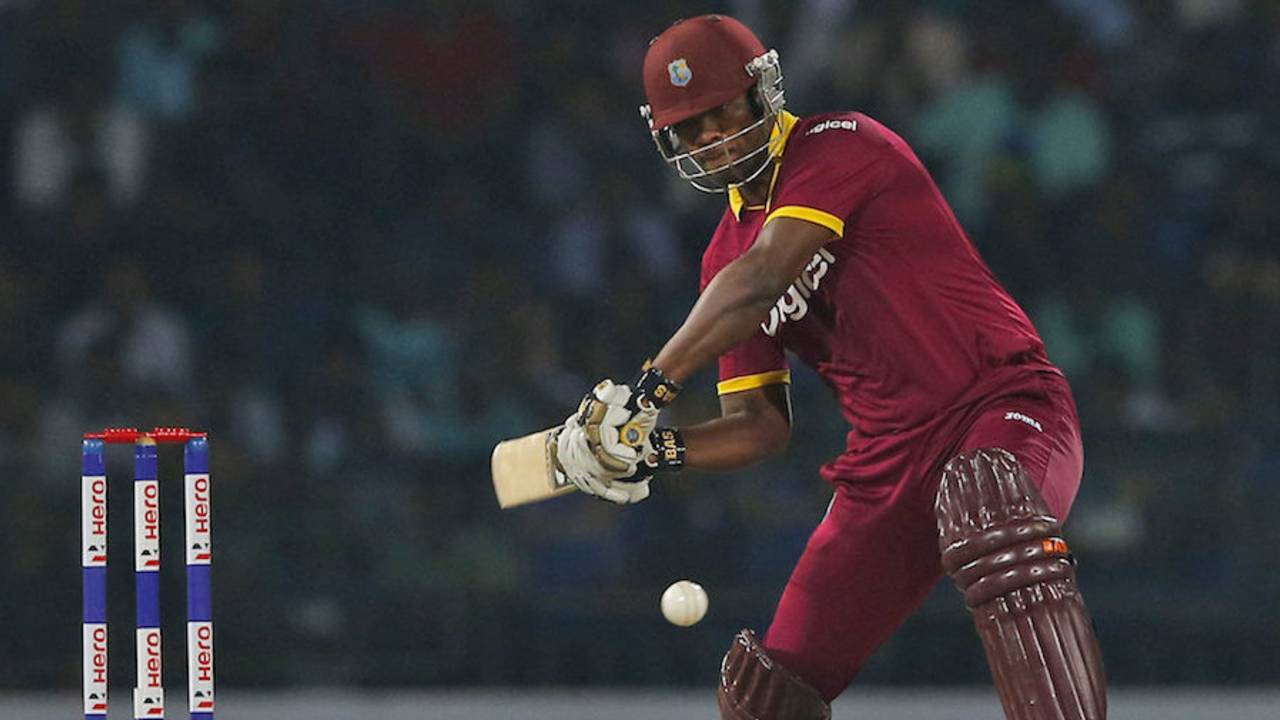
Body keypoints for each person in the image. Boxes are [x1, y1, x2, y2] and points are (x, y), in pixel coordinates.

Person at [551, 14, 1107, 720]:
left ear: (761, 94)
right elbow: (756, 425)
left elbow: (762, 279)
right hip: (887, 470)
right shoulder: (722, 260)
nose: (712, 138)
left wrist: (649, 388)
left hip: (1000, 408)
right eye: (691, 129)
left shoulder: (839, 145)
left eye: (721, 112)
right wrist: (652, 449)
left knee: (990, 505)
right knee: (764, 699)